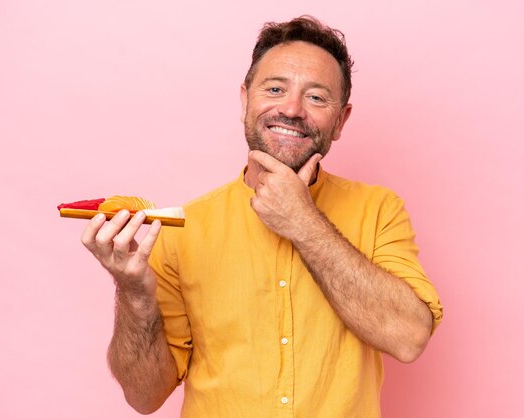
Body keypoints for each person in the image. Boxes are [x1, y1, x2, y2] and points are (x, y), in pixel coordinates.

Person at [81, 15, 443, 417]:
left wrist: (303, 222)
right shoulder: (183, 229)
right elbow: (144, 396)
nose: (291, 109)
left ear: (340, 121)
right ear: (245, 100)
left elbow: (409, 338)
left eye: (317, 97)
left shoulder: (379, 210)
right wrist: (133, 292)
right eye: (275, 89)